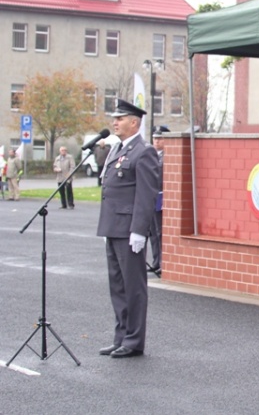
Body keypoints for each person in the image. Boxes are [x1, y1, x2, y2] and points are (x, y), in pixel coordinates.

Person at [97, 98, 159, 358]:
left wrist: (139, 231)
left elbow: (146, 195)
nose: (115, 122)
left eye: (120, 119)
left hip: (129, 230)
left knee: (133, 288)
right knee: (118, 287)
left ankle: (134, 341)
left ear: (134, 123)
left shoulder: (144, 151)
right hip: (113, 227)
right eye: (115, 118)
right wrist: (107, 226)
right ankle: (121, 336)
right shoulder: (117, 149)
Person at [148, 125, 170, 276]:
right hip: (150, 196)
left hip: (161, 196)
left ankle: (163, 262)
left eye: (160, 138)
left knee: (160, 231)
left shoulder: (168, 156)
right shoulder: (150, 155)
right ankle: (156, 261)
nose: (156, 141)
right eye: (155, 138)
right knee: (152, 232)